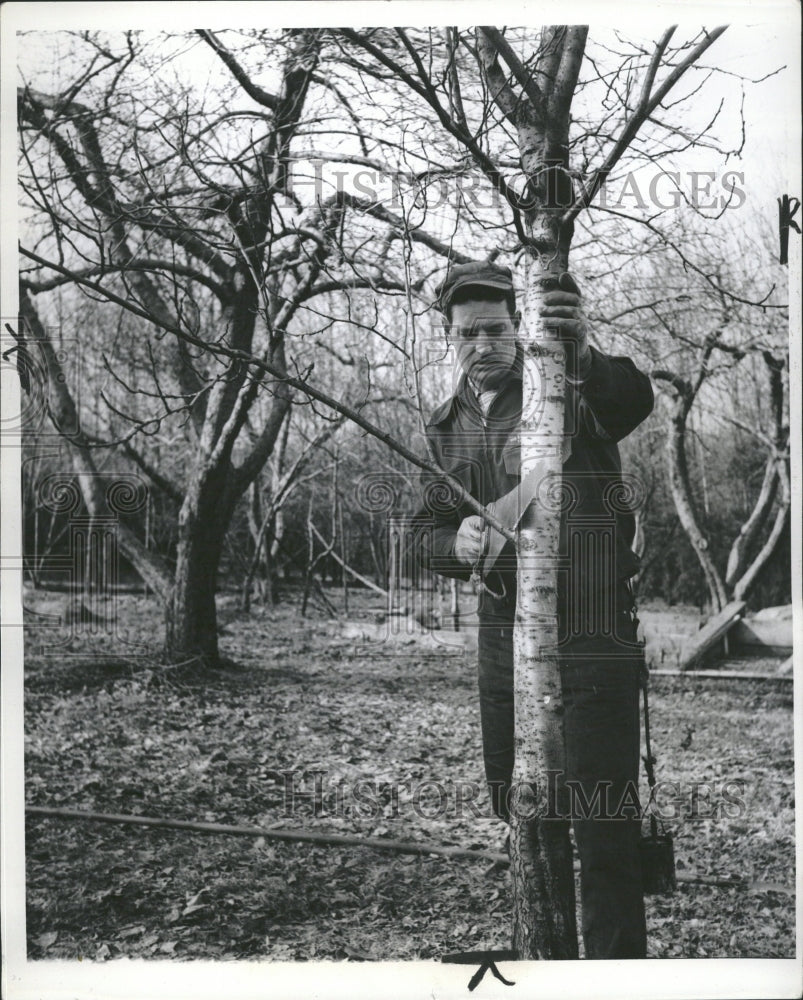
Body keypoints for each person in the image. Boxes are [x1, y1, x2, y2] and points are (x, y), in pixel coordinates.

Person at [416, 261, 654, 959]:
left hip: (589, 632)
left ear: (518, 329)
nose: (480, 344)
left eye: (494, 329)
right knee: (521, 810)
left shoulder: (562, 385)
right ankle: (546, 962)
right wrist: (452, 543)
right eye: (466, 334)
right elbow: (422, 533)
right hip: (502, 641)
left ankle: (612, 974)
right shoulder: (447, 424)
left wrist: (578, 344)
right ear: (449, 338)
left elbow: (629, 403)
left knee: (602, 824)